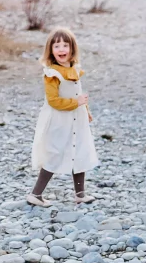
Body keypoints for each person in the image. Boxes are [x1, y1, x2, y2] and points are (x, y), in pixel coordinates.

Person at [27, 26, 98, 206]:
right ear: (50, 50)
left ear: (72, 49)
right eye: (57, 46)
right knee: (55, 152)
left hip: (77, 118)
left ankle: (80, 193)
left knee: (79, 150)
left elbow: (78, 93)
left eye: (65, 46)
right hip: (59, 119)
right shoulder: (52, 74)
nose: (61, 50)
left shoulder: (74, 69)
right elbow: (54, 101)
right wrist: (77, 103)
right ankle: (36, 194)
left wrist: (86, 111)